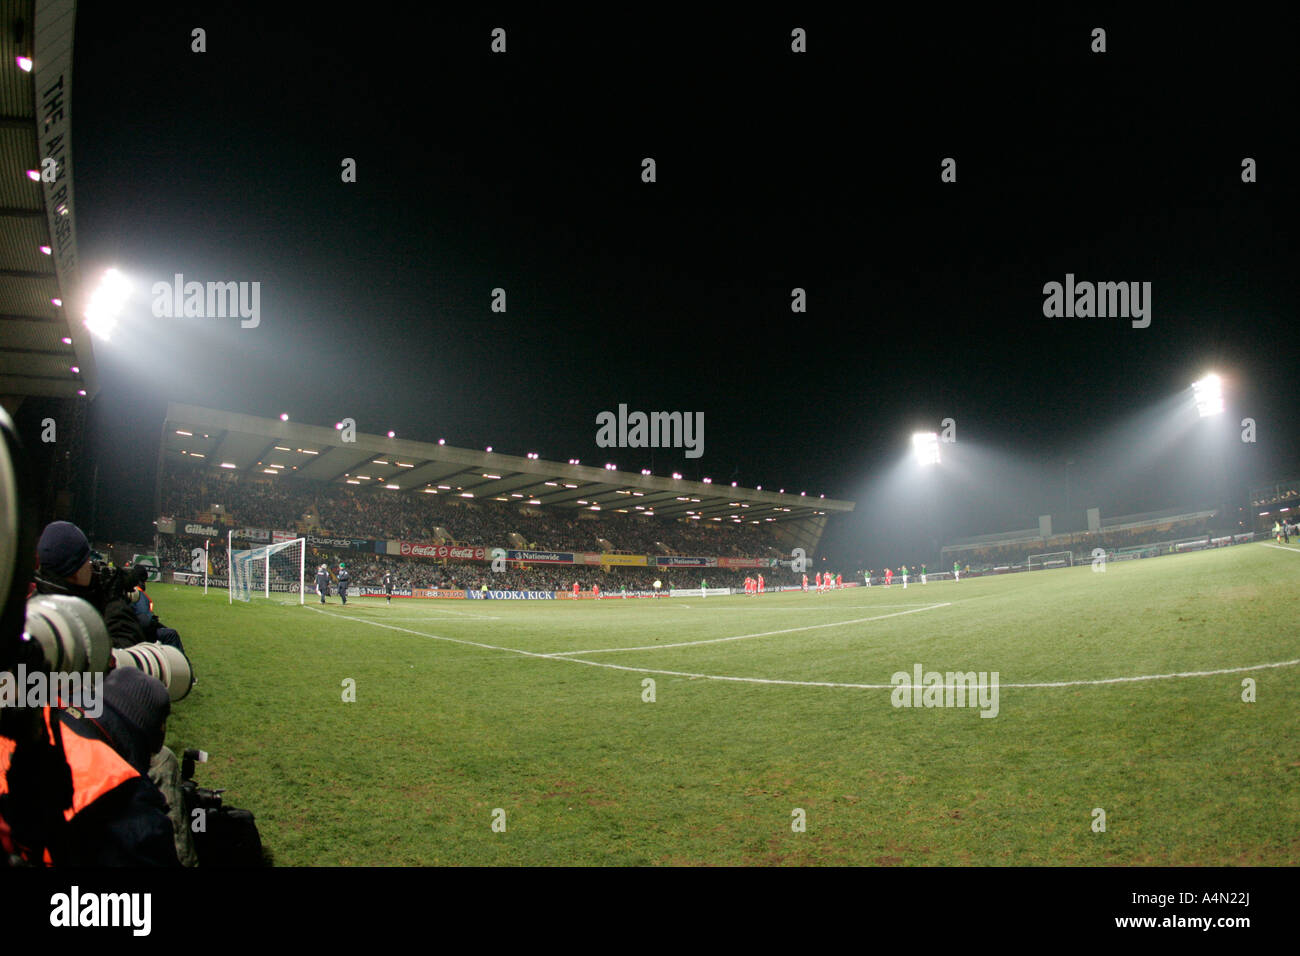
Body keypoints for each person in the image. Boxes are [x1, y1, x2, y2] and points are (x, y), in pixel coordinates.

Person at [32, 521, 149, 649]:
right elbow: (122, 652)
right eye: (87, 560)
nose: (91, 567)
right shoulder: (68, 613)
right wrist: (114, 601)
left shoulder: (39, 599)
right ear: (74, 570)